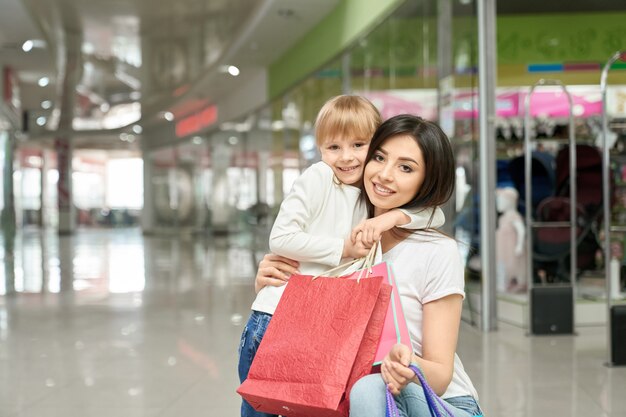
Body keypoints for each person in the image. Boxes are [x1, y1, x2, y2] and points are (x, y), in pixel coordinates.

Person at [255, 114, 482, 417]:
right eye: (379, 157)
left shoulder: (437, 251)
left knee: (369, 386)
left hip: (437, 402)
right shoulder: (343, 240)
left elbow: (440, 376)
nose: (385, 174)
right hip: (355, 399)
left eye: (405, 167)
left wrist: (407, 363)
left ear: (427, 181)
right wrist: (271, 289)